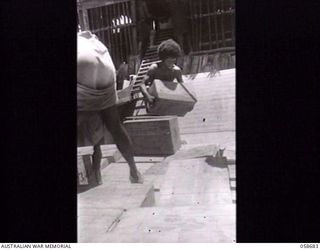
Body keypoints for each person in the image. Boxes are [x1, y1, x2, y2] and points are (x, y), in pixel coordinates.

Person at [77, 31, 143, 185]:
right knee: (114, 125)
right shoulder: (89, 37)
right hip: (106, 66)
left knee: (83, 122)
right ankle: (134, 171)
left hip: (82, 63)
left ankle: (94, 173)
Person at [139, 39, 183, 103]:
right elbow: (142, 84)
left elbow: (182, 87)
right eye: (169, 61)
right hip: (154, 97)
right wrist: (147, 96)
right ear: (163, 59)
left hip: (168, 97)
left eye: (173, 61)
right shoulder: (154, 68)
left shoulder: (177, 71)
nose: (171, 63)